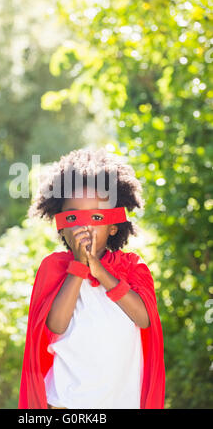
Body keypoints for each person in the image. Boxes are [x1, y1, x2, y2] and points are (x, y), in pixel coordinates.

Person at [18, 148, 165, 409]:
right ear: (61, 225)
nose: (84, 225)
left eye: (96, 216)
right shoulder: (54, 268)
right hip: (65, 402)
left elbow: (144, 319)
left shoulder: (132, 267)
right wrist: (78, 267)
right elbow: (55, 326)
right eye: (73, 216)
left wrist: (101, 273)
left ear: (113, 226)